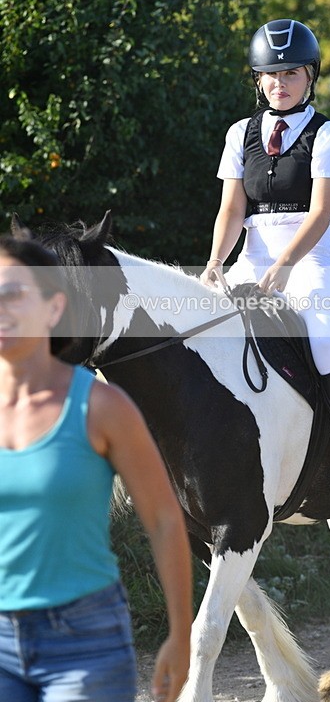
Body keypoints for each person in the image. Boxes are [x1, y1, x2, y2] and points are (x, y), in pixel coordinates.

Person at [200, 18, 330, 505]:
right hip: (252, 256)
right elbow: (232, 210)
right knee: (205, 326)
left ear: (310, 76)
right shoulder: (240, 134)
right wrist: (215, 263)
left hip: (310, 259)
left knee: (325, 339)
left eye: (291, 73)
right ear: (257, 79)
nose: (280, 83)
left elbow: (320, 213)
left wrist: (287, 264)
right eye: (271, 74)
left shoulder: (328, 134)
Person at [0, 232, 192, 702]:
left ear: (54, 308)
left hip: (84, 641)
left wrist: (181, 635)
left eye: (12, 293)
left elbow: (165, 520)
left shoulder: (103, 407)